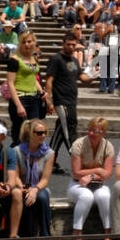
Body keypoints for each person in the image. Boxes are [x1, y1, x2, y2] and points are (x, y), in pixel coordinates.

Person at [67, 116, 116, 240]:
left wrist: (92, 175)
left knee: (105, 196)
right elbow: (76, 172)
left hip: (98, 184)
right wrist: (98, 170)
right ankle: (76, 235)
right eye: (89, 129)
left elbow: (107, 174)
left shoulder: (108, 146)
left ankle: (107, 236)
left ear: (103, 133)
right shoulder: (78, 144)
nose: (91, 133)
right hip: (77, 184)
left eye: (95, 131)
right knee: (86, 196)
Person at [13, 119, 55, 240]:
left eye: (45, 132)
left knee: (42, 197)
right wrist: (22, 187)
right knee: (23, 196)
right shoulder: (17, 151)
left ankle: (45, 235)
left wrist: (35, 189)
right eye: (39, 133)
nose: (43, 135)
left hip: (39, 186)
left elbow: (45, 179)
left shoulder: (49, 153)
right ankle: (26, 234)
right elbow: (15, 175)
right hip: (22, 185)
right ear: (30, 133)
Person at [44, 31, 82, 165]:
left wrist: (96, 74)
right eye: (68, 44)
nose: (71, 47)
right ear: (63, 44)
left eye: (73, 45)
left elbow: (82, 78)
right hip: (61, 102)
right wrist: (49, 101)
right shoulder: (56, 59)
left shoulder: (75, 60)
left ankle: (48, 160)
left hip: (72, 102)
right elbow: (49, 81)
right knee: (69, 131)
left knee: (60, 131)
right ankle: (78, 161)